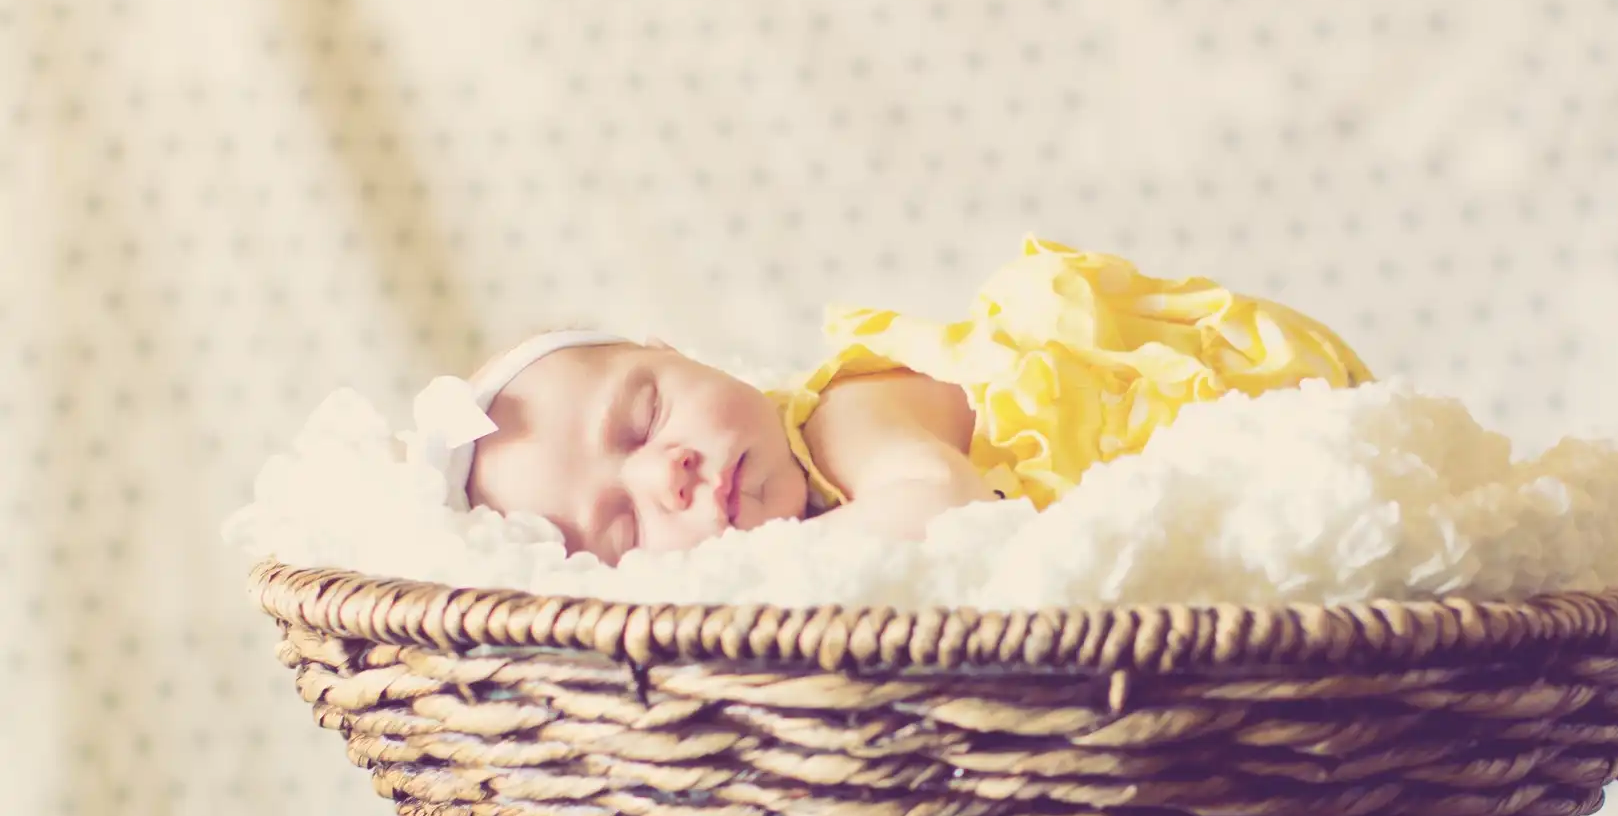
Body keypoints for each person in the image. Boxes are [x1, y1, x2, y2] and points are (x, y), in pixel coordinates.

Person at [414, 237, 1375, 564]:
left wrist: (706, 590)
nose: (667, 473)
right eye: (623, 529)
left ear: (681, 355)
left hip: (1239, 403)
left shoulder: (846, 419)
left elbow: (943, 511)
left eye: (644, 417)